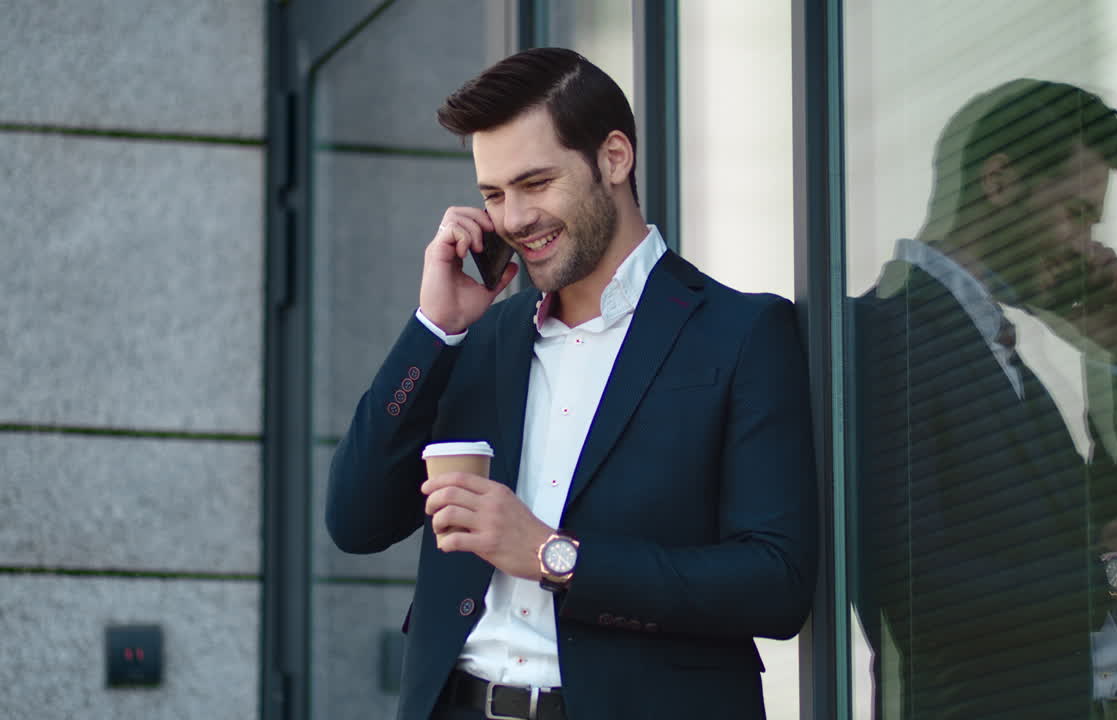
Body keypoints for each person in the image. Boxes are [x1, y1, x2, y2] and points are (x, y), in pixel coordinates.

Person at [326, 47, 818, 720]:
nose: (514, 219)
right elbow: (355, 520)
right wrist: (434, 329)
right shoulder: (478, 340)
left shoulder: (742, 332)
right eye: (494, 195)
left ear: (614, 158)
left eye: (535, 183)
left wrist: (554, 556)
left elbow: (775, 585)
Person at [854, 80, 1117, 719]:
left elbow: (1096, 523)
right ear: (999, 182)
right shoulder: (886, 335)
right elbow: (921, 594)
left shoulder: (986, 341)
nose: (1085, 247)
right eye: (1076, 213)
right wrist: (1116, 572)